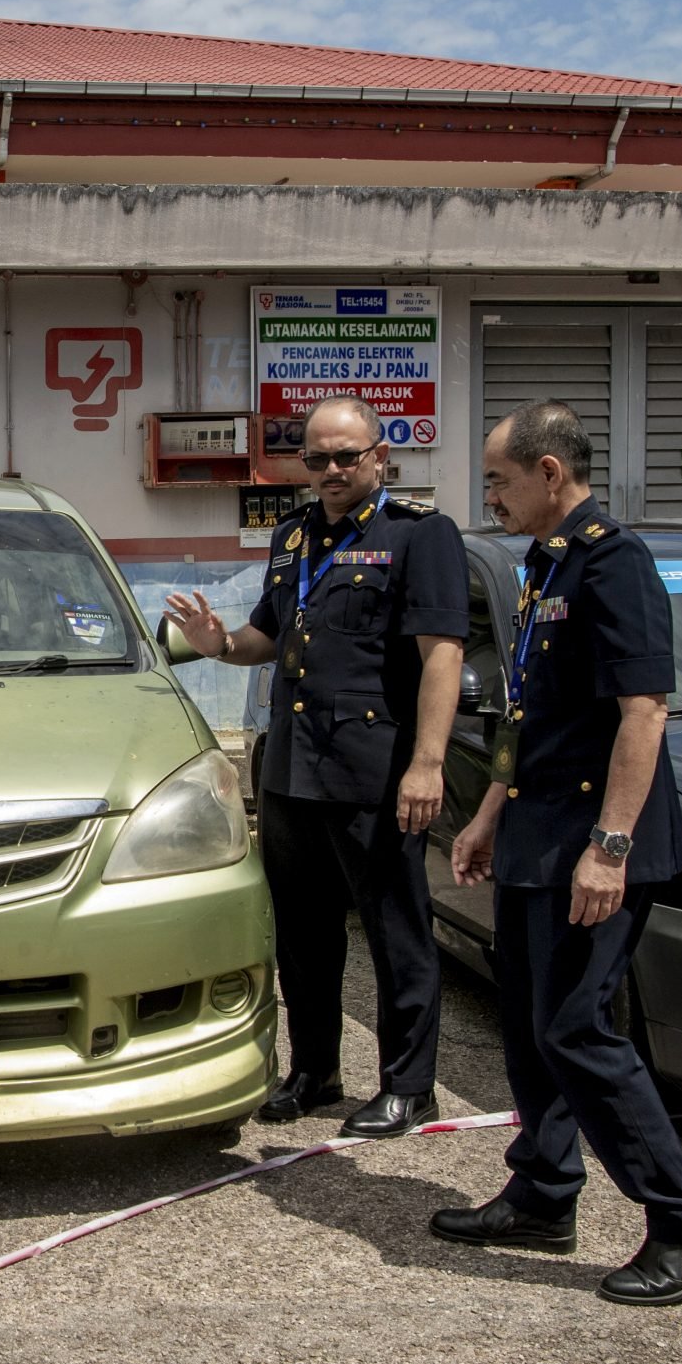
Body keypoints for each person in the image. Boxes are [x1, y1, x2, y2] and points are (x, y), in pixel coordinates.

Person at [438, 399, 682, 1306]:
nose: (487, 493)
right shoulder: (542, 565)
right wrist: (491, 809)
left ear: (550, 474)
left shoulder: (614, 561)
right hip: (536, 834)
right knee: (532, 1025)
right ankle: (543, 1190)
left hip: (593, 843)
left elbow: (642, 711)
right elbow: (527, 716)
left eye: (497, 478)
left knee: (578, 1025)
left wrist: (609, 848)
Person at [164, 394, 465, 1138]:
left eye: (345, 456)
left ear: (379, 456)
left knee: (397, 930)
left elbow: (442, 658)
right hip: (294, 766)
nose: (330, 470)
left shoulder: (419, 537)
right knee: (301, 931)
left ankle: (409, 1085)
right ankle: (315, 1069)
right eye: (317, 458)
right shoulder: (295, 535)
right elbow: (265, 634)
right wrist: (217, 642)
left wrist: (428, 764)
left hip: (375, 768)